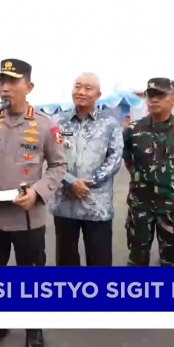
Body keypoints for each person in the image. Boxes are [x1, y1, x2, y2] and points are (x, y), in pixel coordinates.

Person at [0, 59, 67, 347]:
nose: (5, 87)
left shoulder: (45, 124)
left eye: (12, 81)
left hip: (28, 217)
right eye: (1, 81)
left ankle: (33, 328)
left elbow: (58, 165)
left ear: (29, 87)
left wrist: (38, 192)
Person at [122, 78, 174, 266]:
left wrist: (170, 181)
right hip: (140, 205)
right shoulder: (133, 130)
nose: (154, 100)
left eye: (160, 95)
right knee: (137, 258)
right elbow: (128, 161)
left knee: (170, 260)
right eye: (150, 95)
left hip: (172, 206)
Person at [49, 73, 123, 266]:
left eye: (88, 88)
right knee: (66, 261)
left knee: (99, 261)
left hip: (96, 205)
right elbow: (50, 157)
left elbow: (115, 158)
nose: (81, 92)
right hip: (65, 203)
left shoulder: (109, 123)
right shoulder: (57, 121)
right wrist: (70, 181)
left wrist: (89, 183)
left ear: (98, 95)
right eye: (77, 86)